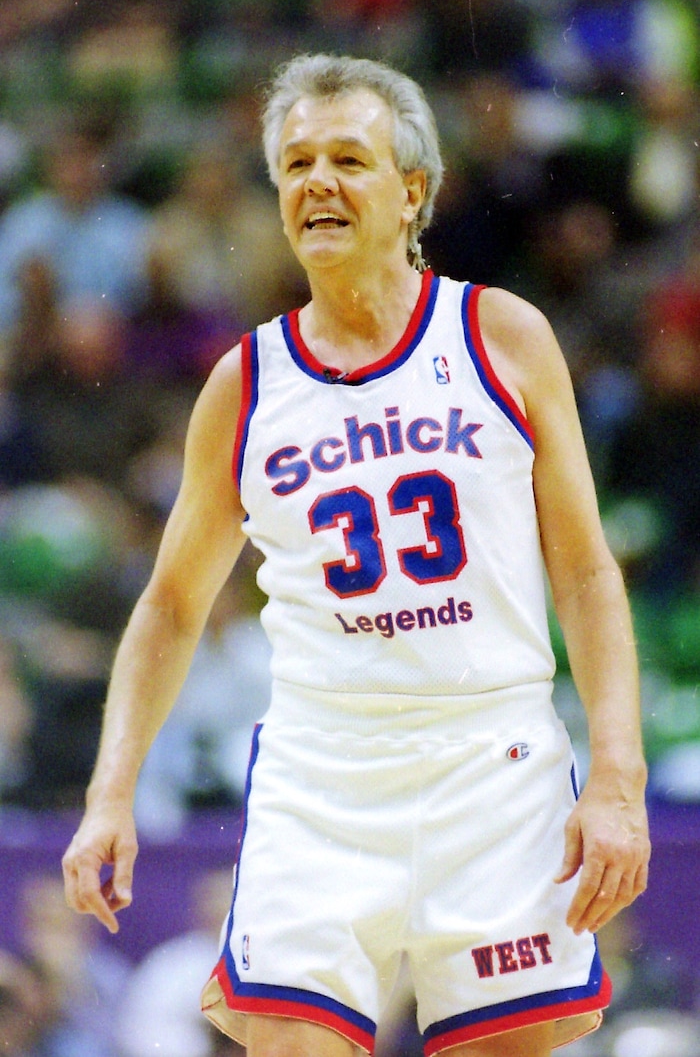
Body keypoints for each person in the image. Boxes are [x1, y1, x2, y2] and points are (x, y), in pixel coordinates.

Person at [62, 53, 650, 1057]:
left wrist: (618, 779)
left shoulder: (501, 335)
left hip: (492, 758)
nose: (317, 182)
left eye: (347, 158)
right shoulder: (245, 383)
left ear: (411, 190)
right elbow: (169, 603)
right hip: (321, 769)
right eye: (295, 164)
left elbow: (588, 572)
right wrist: (109, 793)